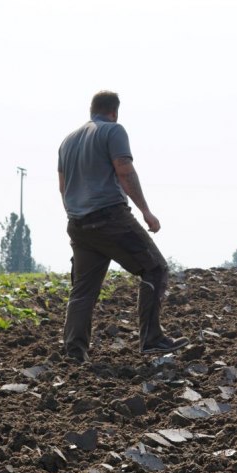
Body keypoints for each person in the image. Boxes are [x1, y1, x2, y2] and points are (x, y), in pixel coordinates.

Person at [57, 90, 187, 362]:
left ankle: (74, 351)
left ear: (91, 109)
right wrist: (146, 211)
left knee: (83, 289)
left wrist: (77, 214)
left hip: (79, 223)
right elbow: (124, 169)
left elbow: (62, 187)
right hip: (110, 217)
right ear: (114, 112)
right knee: (155, 268)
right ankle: (152, 338)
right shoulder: (113, 131)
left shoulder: (67, 141)